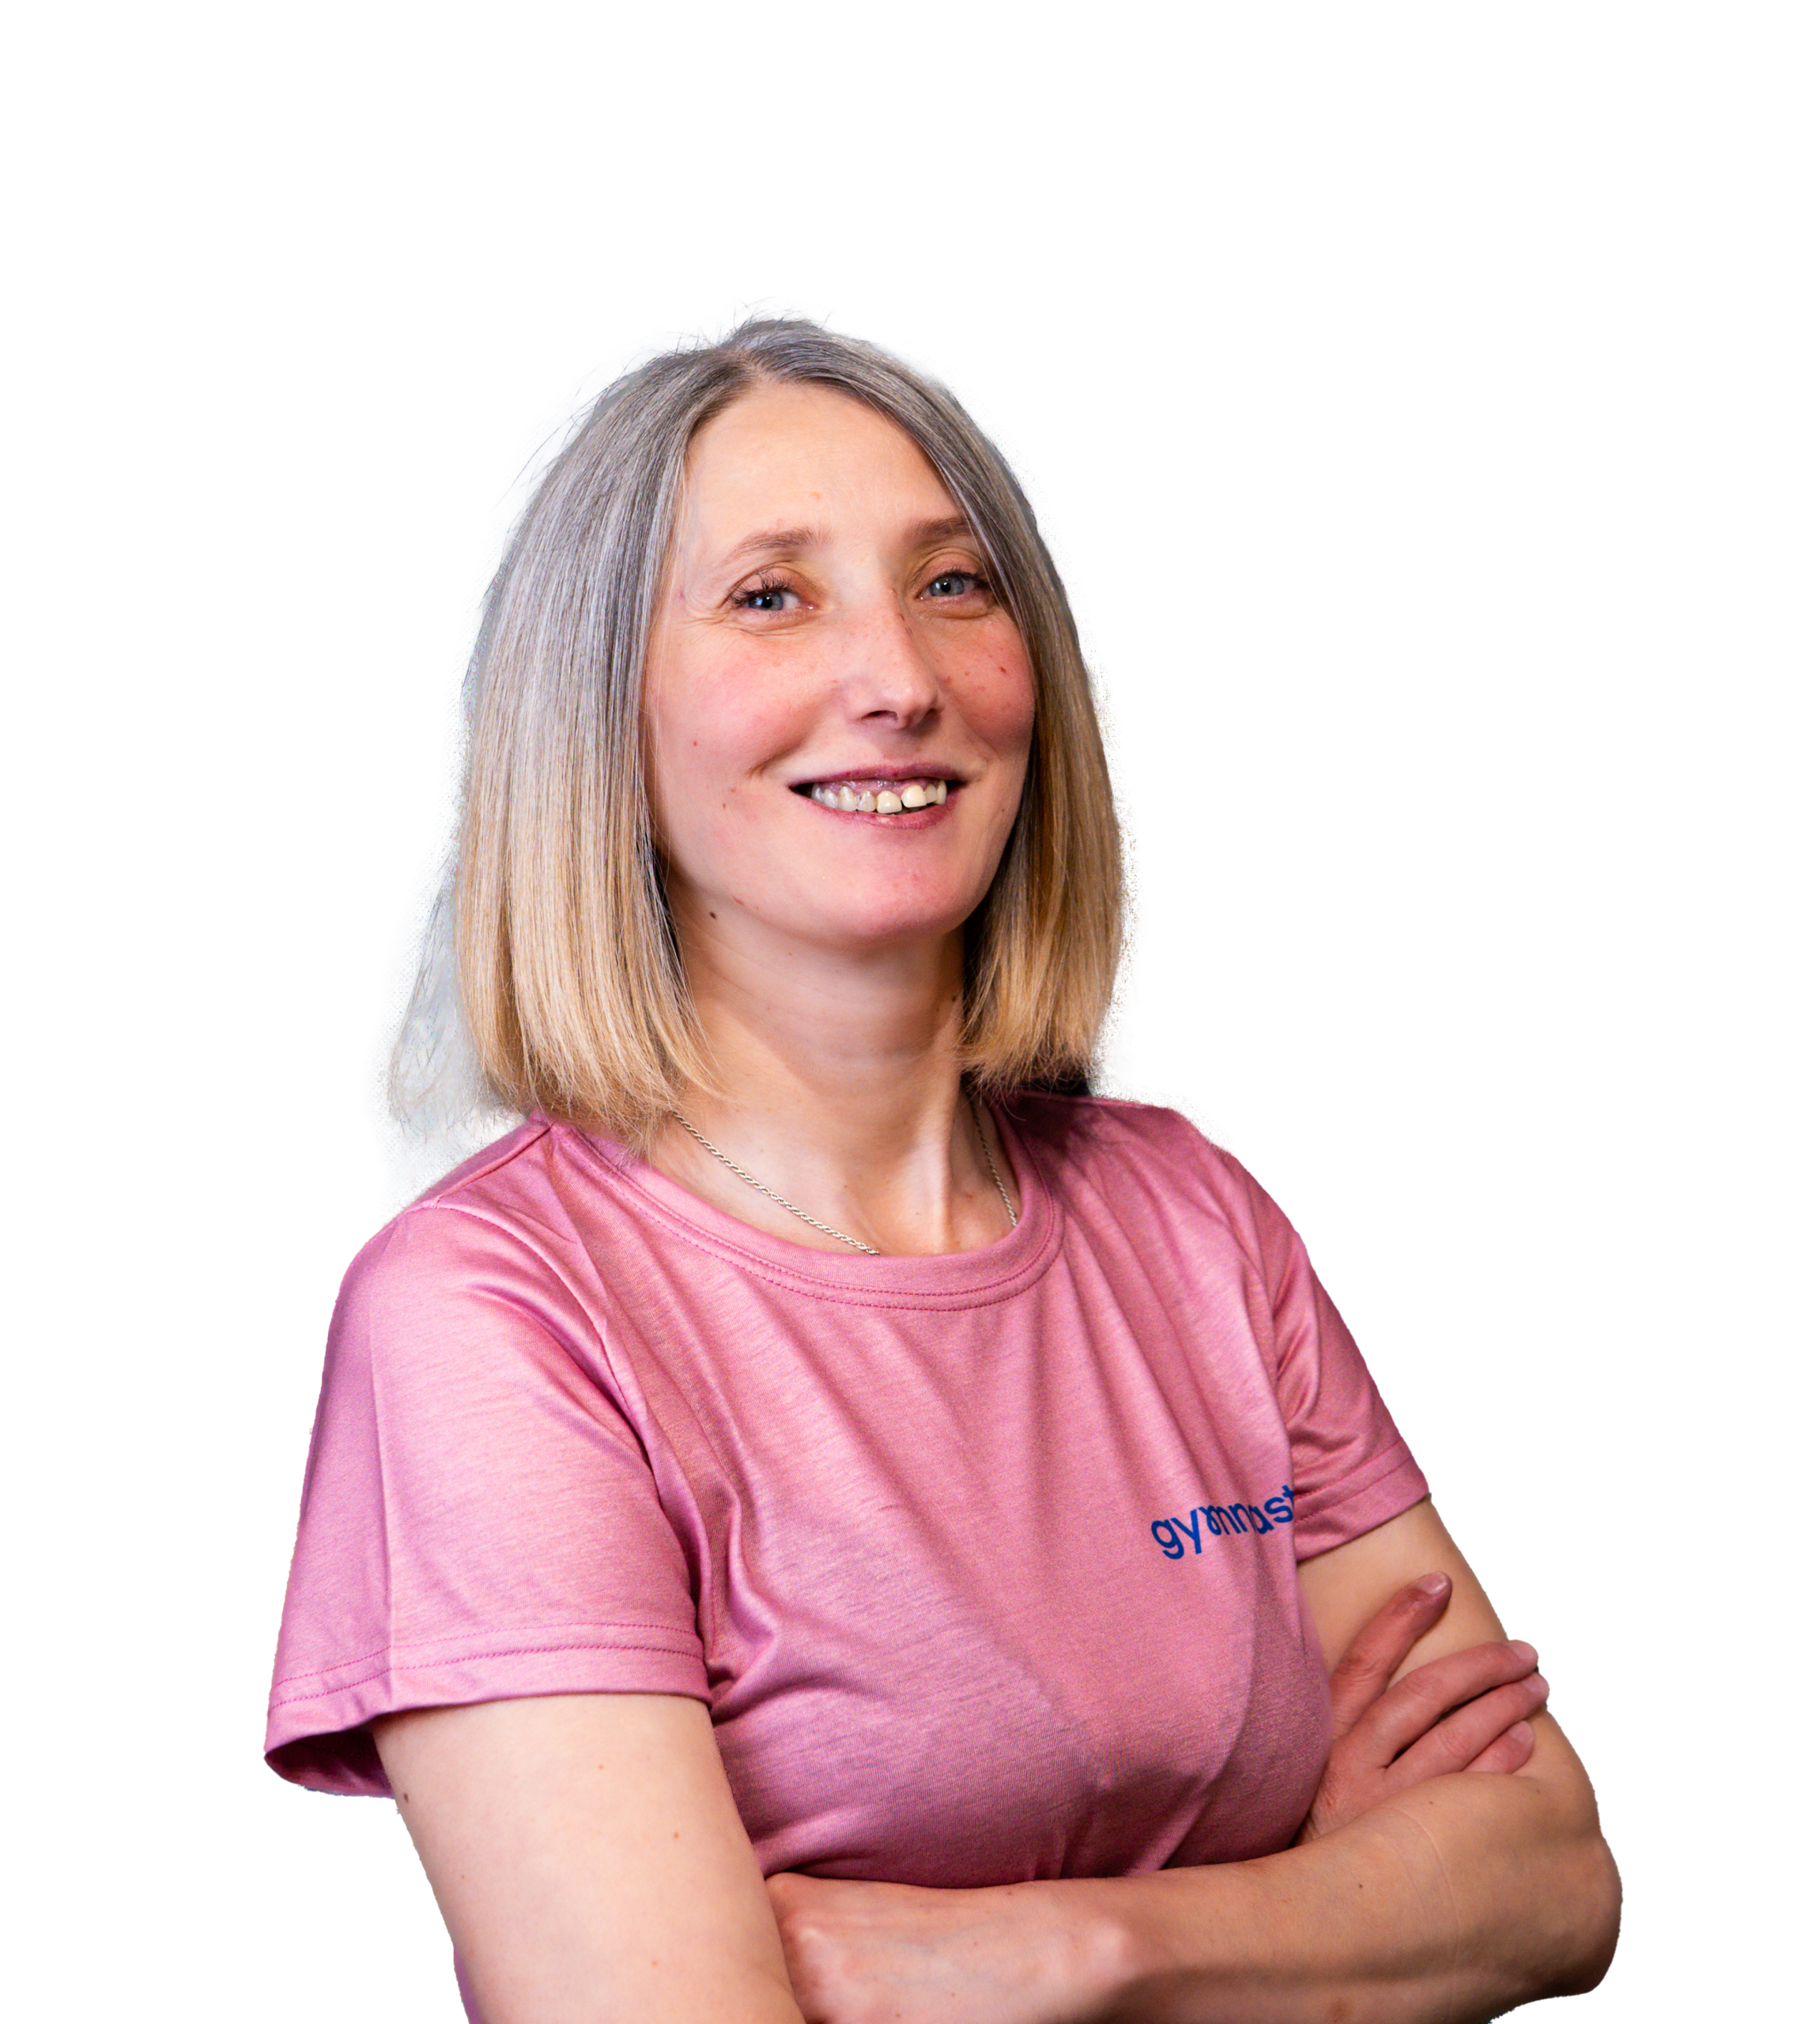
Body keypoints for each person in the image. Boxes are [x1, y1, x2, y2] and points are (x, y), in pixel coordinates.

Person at [264, 296, 1621, 2024]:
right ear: (595, 716)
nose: (898, 679)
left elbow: (1550, 1883)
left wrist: (1058, 1956)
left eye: (953, 582)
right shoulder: (493, 1315)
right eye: (771, 595)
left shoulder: (1187, 1215)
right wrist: (1332, 1905)